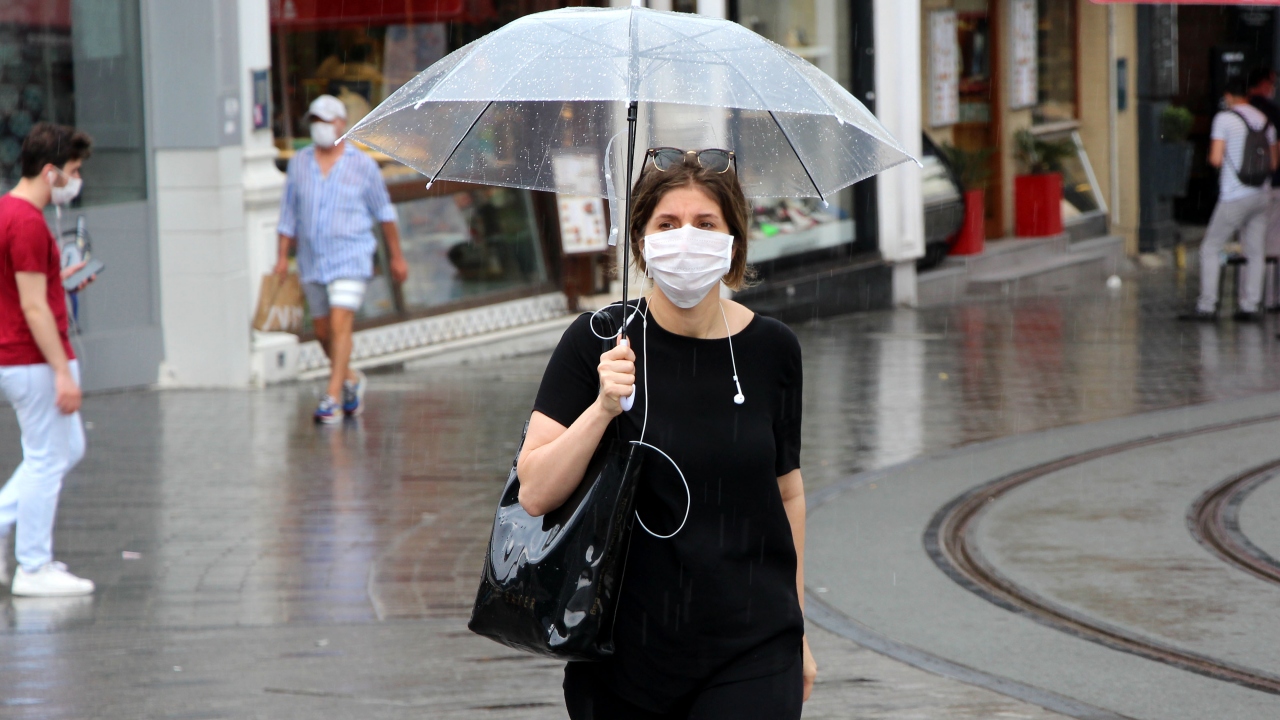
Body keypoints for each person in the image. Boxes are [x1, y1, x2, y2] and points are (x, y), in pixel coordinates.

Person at [517, 149, 817, 719]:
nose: (686, 240)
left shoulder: (773, 349)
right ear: (640, 242)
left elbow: (788, 493)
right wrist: (602, 408)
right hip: (623, 655)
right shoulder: (597, 340)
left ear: (733, 243)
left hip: (753, 647)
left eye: (705, 224)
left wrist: (798, 628)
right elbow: (534, 491)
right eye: (667, 224)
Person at [0, 122, 96, 596]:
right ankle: (33, 567)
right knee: (45, 460)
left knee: (65, 449)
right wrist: (62, 372)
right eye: (73, 171)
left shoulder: (8, 212)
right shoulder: (27, 224)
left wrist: (61, 276)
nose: (76, 181)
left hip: (21, 356)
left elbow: (25, 289)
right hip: (32, 359)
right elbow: (34, 307)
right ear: (50, 172)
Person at [275, 95, 408, 423]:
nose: (318, 127)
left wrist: (396, 257)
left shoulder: (362, 165)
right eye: (314, 121)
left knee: (340, 322)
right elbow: (288, 214)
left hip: (351, 256)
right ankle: (350, 379)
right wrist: (281, 257)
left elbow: (384, 212)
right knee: (322, 331)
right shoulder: (299, 163)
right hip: (312, 260)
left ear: (341, 124)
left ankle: (331, 397)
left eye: (325, 120)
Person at [1181, 77, 1278, 322]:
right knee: (1255, 250)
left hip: (1235, 195)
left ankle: (1207, 306)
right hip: (1262, 194)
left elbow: (1215, 159)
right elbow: (1274, 163)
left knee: (1210, 247)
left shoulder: (1224, 118)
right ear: (1248, 94)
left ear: (1227, 96)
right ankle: (1250, 306)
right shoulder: (1265, 120)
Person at [1247, 67, 1280, 309]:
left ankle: (1249, 298)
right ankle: (1271, 298)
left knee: (1249, 244)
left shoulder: (1239, 111)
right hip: (1273, 185)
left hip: (1246, 187)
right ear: (1264, 84)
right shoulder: (1272, 112)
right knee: (1273, 242)